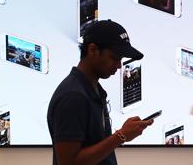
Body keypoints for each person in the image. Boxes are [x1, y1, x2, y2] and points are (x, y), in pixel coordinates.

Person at [47, 20, 153, 165]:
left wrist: (122, 135)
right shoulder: (73, 97)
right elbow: (68, 162)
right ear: (93, 50)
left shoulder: (93, 90)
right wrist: (120, 136)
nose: (118, 65)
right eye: (115, 58)